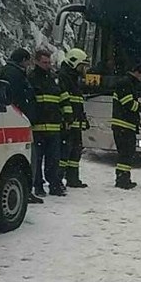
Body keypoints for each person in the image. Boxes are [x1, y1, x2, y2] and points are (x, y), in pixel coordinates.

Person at [0, 48, 43, 204]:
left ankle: (26, 190)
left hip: (17, 119)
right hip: (19, 120)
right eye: (28, 60)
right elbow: (20, 97)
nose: (29, 64)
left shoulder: (11, 72)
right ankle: (26, 190)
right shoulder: (15, 75)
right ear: (23, 60)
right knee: (29, 157)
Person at [28, 49, 66, 197]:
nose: (47, 65)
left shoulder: (53, 78)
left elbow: (63, 97)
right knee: (37, 160)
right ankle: (38, 186)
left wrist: (67, 116)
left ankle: (54, 185)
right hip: (38, 127)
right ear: (36, 62)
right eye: (44, 62)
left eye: (49, 62)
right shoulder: (31, 79)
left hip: (54, 126)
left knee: (53, 159)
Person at [111, 63, 141, 189]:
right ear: (138, 73)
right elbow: (128, 104)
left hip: (126, 125)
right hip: (123, 125)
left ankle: (124, 178)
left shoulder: (128, 83)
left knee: (127, 153)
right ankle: (122, 180)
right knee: (125, 153)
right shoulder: (126, 83)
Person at [58, 48, 90, 188]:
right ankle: (58, 180)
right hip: (67, 123)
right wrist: (68, 117)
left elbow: (77, 102)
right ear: (74, 63)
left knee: (75, 152)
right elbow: (63, 99)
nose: (85, 70)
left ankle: (73, 178)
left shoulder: (74, 79)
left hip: (75, 122)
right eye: (82, 66)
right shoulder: (63, 77)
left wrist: (82, 118)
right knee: (64, 153)